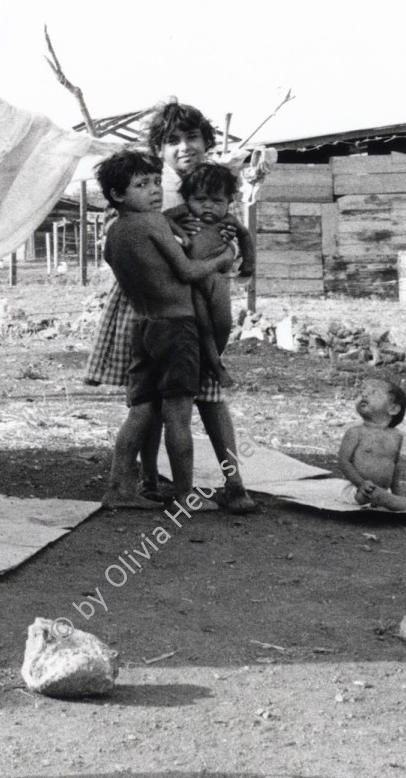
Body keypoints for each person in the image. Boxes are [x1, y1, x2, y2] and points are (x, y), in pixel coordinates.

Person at [91, 101, 260, 513]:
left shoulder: (214, 180)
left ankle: (232, 483)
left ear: (206, 141)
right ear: (159, 148)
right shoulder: (155, 188)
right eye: (172, 140)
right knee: (156, 403)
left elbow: (229, 234)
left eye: (192, 137)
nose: (184, 147)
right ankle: (151, 481)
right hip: (162, 299)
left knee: (207, 396)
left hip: (200, 294)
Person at [165, 161, 255, 391]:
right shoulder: (185, 214)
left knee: (223, 324)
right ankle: (215, 366)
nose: (208, 206)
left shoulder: (229, 221)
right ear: (188, 199)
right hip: (191, 280)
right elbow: (164, 219)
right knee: (203, 325)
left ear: (229, 202)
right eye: (200, 199)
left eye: (217, 201)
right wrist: (182, 235)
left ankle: (214, 358)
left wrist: (249, 265)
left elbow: (245, 237)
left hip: (217, 279)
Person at [337, 378, 406, 512]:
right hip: (356, 489)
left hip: (382, 489)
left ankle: (400, 500)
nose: (364, 395)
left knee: (385, 494)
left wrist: (396, 489)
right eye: (362, 393)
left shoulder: (396, 436)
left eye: (374, 393)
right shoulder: (355, 432)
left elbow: (394, 465)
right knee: (376, 495)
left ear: (393, 409)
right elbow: (343, 461)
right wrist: (361, 484)